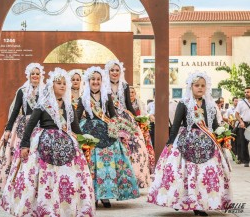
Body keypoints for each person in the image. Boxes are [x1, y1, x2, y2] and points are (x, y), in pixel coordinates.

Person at [1, 68, 95, 216]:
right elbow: (30, 125)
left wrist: (84, 143)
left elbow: (76, 128)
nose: (62, 86)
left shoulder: (69, 106)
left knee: (67, 178)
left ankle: (64, 208)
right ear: (52, 85)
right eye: (59, 83)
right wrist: (25, 145)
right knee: (45, 178)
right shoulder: (43, 104)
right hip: (43, 145)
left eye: (64, 83)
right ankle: (43, 208)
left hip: (67, 147)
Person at [147, 71, 232, 216]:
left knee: (204, 174)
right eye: (197, 85)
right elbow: (176, 125)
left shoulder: (210, 105)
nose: (200, 88)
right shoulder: (184, 103)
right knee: (184, 173)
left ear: (206, 87)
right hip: (186, 142)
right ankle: (181, 200)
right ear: (191, 86)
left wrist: (223, 137)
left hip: (207, 144)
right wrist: (170, 142)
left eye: (202, 86)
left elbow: (215, 125)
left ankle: (201, 204)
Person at [77, 66, 140, 208]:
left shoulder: (107, 97)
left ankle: (106, 196)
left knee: (108, 165)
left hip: (107, 133)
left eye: (98, 79)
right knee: (92, 165)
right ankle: (93, 195)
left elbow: (113, 115)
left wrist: (120, 130)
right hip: (89, 133)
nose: (95, 82)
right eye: (93, 79)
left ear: (101, 81)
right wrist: (77, 134)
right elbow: (77, 116)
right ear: (88, 81)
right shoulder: (84, 98)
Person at [0, 63, 44, 192]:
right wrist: (8, 129)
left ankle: (36, 184)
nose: (35, 76)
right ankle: (16, 183)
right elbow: (15, 110)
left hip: (40, 125)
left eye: (37, 74)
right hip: (24, 125)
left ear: (41, 75)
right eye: (33, 74)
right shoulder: (23, 91)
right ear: (29, 76)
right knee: (18, 153)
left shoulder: (46, 90)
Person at [235, 88, 250, 167]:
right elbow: (236, 114)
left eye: (248, 92)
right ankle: (246, 160)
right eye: (245, 92)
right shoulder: (241, 103)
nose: (246, 93)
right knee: (244, 143)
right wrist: (241, 122)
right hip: (243, 124)